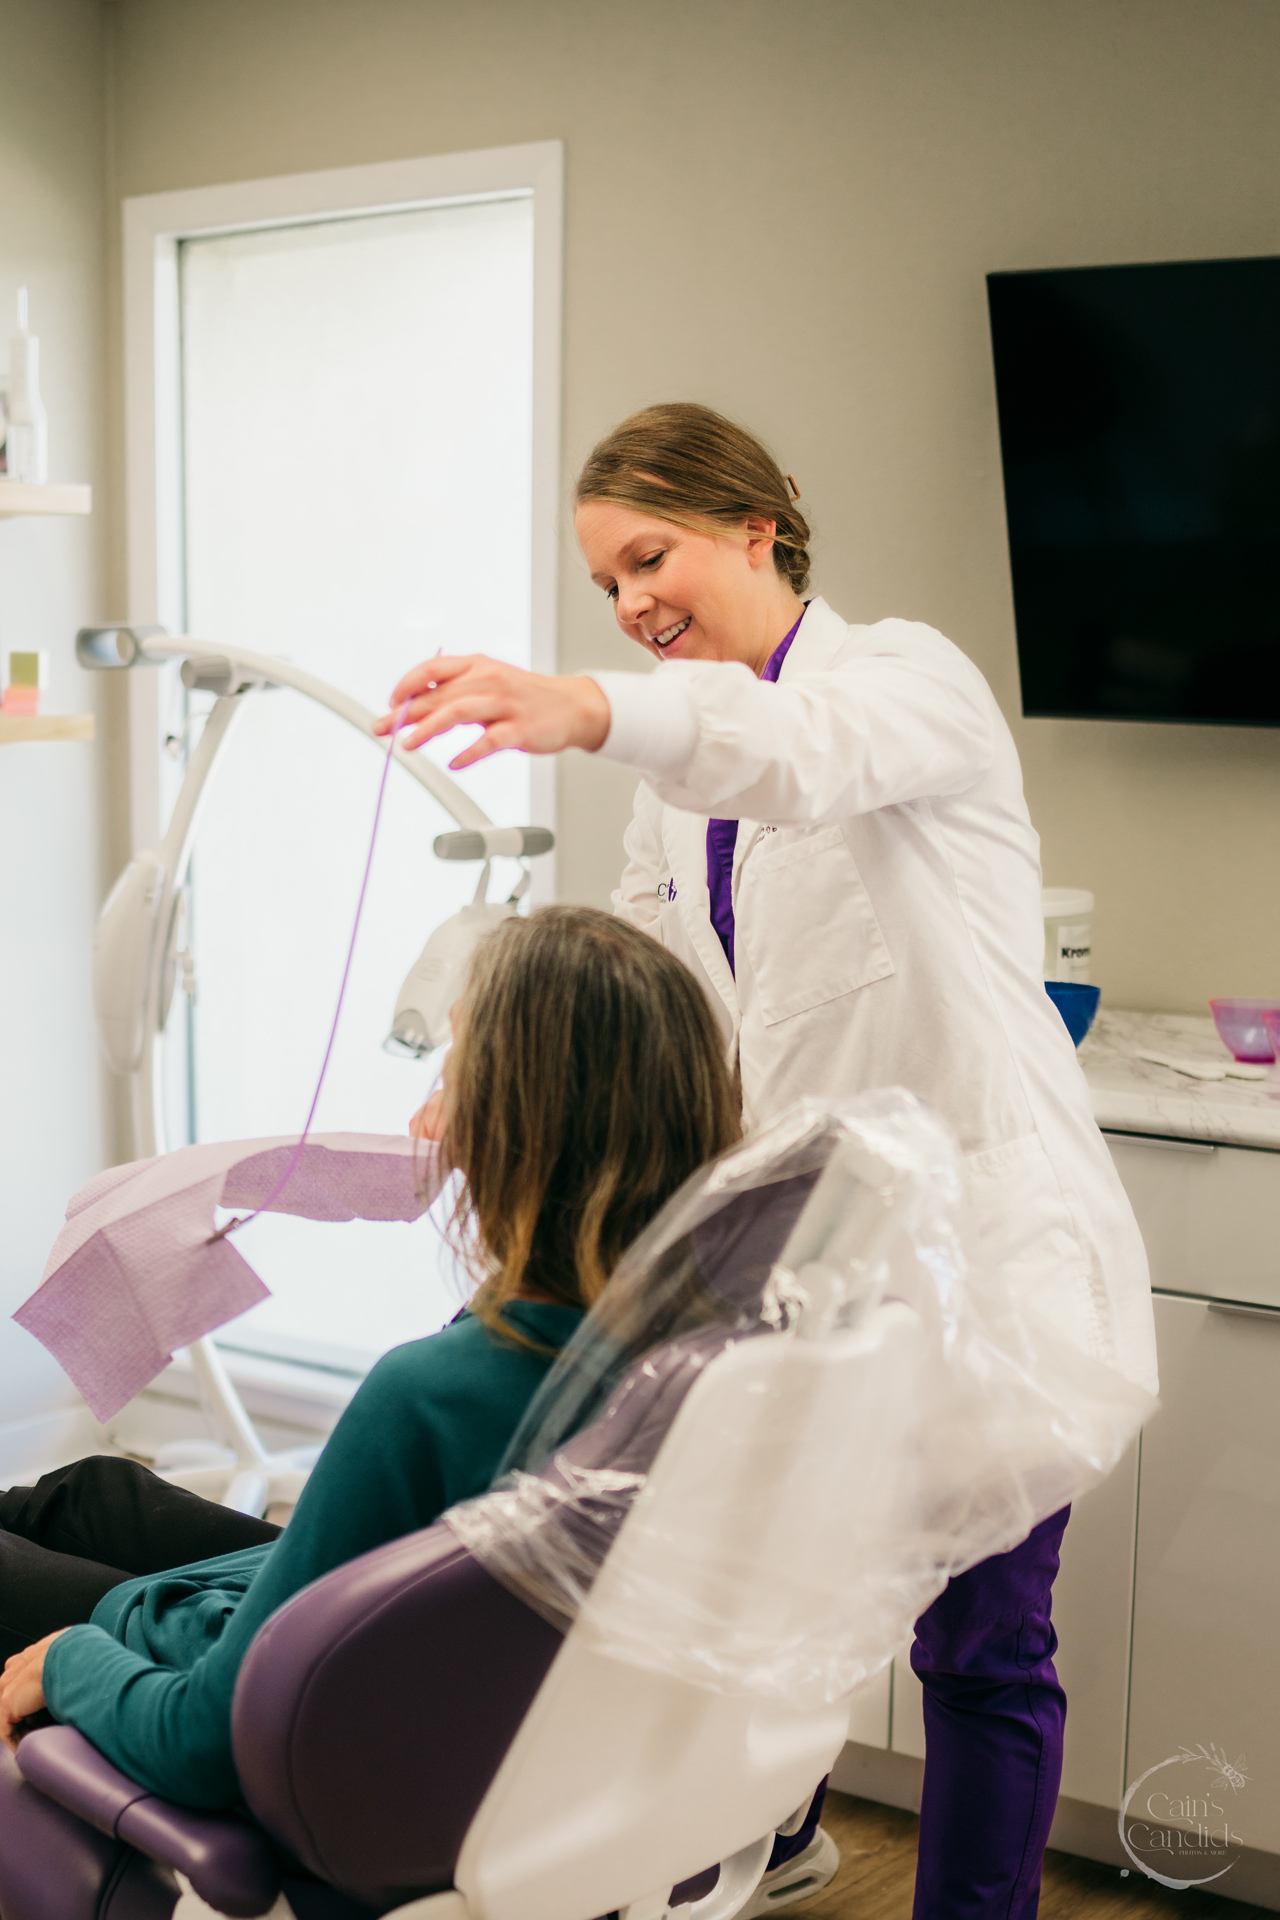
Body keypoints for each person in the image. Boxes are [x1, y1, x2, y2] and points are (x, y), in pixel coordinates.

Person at [376, 401, 1158, 1920]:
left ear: (757, 528)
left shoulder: (903, 683)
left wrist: (587, 706)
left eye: (647, 558)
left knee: (982, 1649)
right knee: (750, 1618)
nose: (628, 603)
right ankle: (772, 1838)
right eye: (604, 584)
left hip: (992, 1265)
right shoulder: (678, 786)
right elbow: (633, 982)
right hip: (817, 1270)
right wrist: (481, 1063)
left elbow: (798, 756)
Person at [0, 906, 740, 1811]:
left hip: (313, 1740)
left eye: (451, 1078)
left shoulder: (430, 1394)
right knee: (97, 1494)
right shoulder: (699, 1345)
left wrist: (75, 1659)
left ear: (518, 1129)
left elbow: (207, 1744)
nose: (423, 1118)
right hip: (436, 1661)